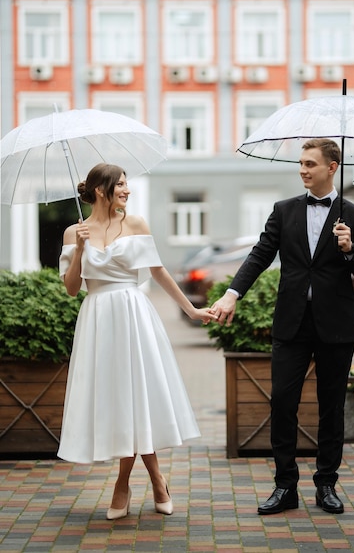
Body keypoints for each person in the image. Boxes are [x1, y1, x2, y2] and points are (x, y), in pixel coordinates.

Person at [210, 138, 354, 515]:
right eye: (300, 163)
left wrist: (350, 249)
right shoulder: (283, 211)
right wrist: (232, 294)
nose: (302, 170)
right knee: (283, 401)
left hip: (336, 325)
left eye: (310, 164)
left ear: (332, 167)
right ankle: (285, 486)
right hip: (291, 323)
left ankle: (327, 484)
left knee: (331, 407)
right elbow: (260, 254)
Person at [58, 163, 214, 520]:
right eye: (122, 185)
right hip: (97, 318)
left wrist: (191, 310)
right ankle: (157, 479)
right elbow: (70, 290)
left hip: (133, 314)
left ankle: (124, 485)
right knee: (117, 401)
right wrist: (80, 249)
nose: (127, 191)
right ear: (102, 189)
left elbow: (158, 271)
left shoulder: (136, 224)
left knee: (136, 397)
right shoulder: (73, 232)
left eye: (128, 185)